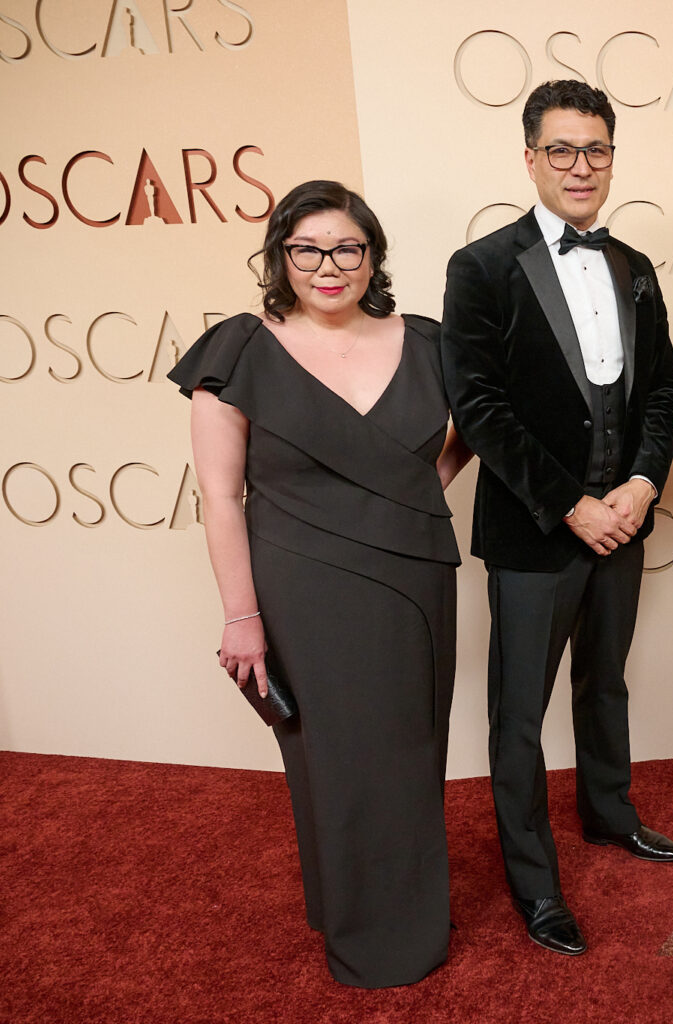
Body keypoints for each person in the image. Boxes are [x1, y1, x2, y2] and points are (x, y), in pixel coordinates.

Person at [169, 180, 471, 987]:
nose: (328, 266)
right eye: (307, 249)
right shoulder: (238, 349)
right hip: (301, 586)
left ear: (372, 256)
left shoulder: (434, 343)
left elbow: (471, 436)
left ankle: (408, 915)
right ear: (280, 256)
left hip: (411, 582)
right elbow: (221, 497)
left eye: (347, 248)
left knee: (410, 753)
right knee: (333, 757)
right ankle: (357, 926)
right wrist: (242, 617)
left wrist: (405, 501)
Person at [440, 80, 673, 957]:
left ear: (614, 157)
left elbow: (662, 392)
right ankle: (533, 881)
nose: (582, 167)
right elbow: (480, 408)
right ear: (532, 157)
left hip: (623, 520)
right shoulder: (480, 267)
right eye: (563, 151)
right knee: (518, 711)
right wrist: (572, 505)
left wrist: (644, 486)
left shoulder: (636, 267)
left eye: (598, 151)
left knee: (606, 680)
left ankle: (609, 812)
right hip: (537, 529)